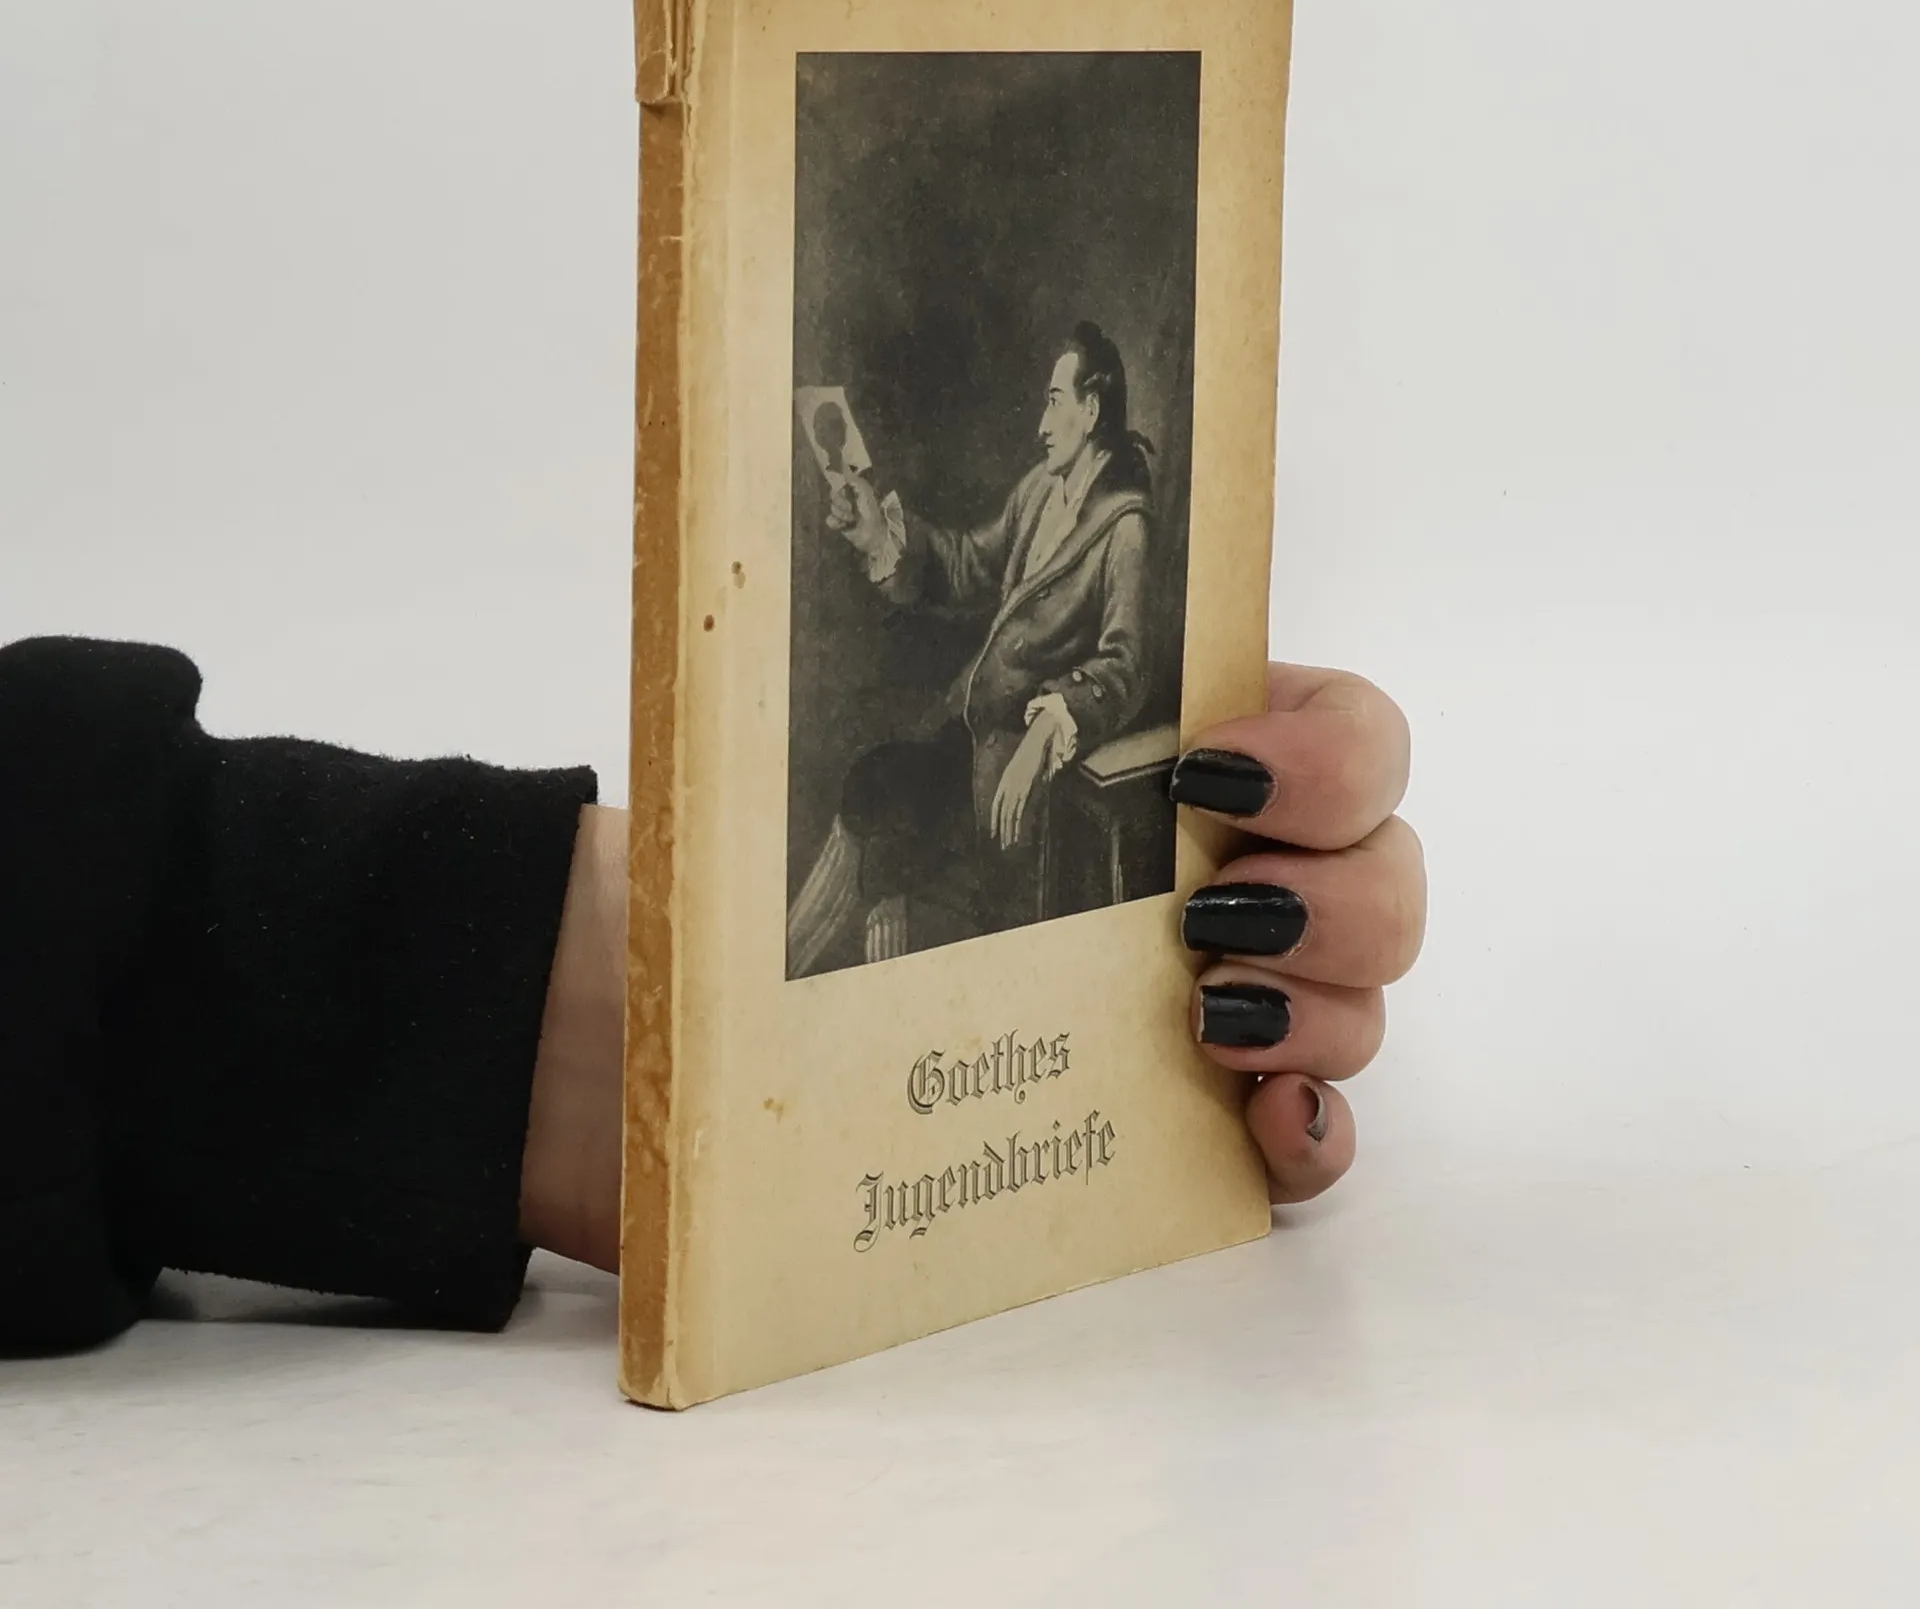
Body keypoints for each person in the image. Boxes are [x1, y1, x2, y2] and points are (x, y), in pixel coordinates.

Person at [0, 621, 1422, 1353]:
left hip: (1043, 751)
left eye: (1060, 394)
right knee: (885, 794)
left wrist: (536, 973)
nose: (1043, 409)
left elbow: (1095, 654)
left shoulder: (1108, 511)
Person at [788, 321, 1162, 974]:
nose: (1041, 423)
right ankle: (787, 965)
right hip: (967, 735)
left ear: (1091, 410)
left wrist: (1045, 733)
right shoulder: (1041, 489)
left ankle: (802, 975)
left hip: (1017, 780)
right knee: (869, 788)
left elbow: (1124, 664)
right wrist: (877, 531)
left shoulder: (1126, 527)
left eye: (1054, 400)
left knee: (890, 857)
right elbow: (966, 565)